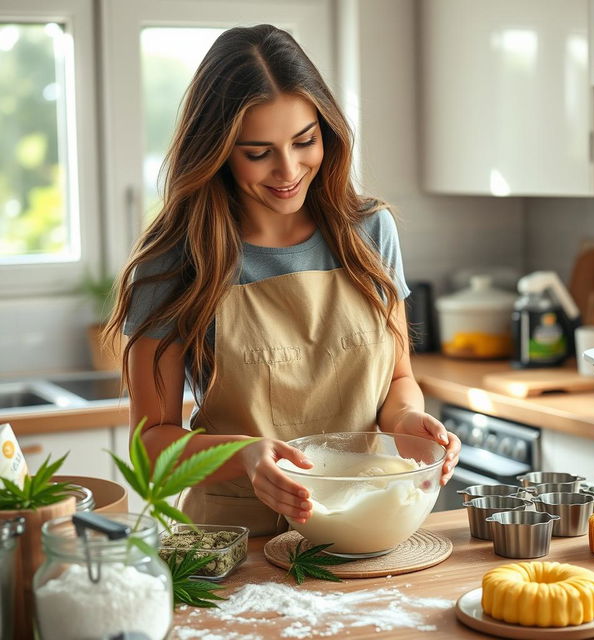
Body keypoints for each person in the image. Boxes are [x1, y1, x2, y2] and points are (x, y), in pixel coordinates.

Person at [106, 24, 461, 536]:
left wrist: (409, 424)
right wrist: (246, 455)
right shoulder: (174, 264)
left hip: (361, 529)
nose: (288, 169)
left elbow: (398, 381)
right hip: (235, 544)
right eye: (258, 152)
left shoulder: (369, 231)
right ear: (218, 150)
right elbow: (151, 452)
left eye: (304, 141)